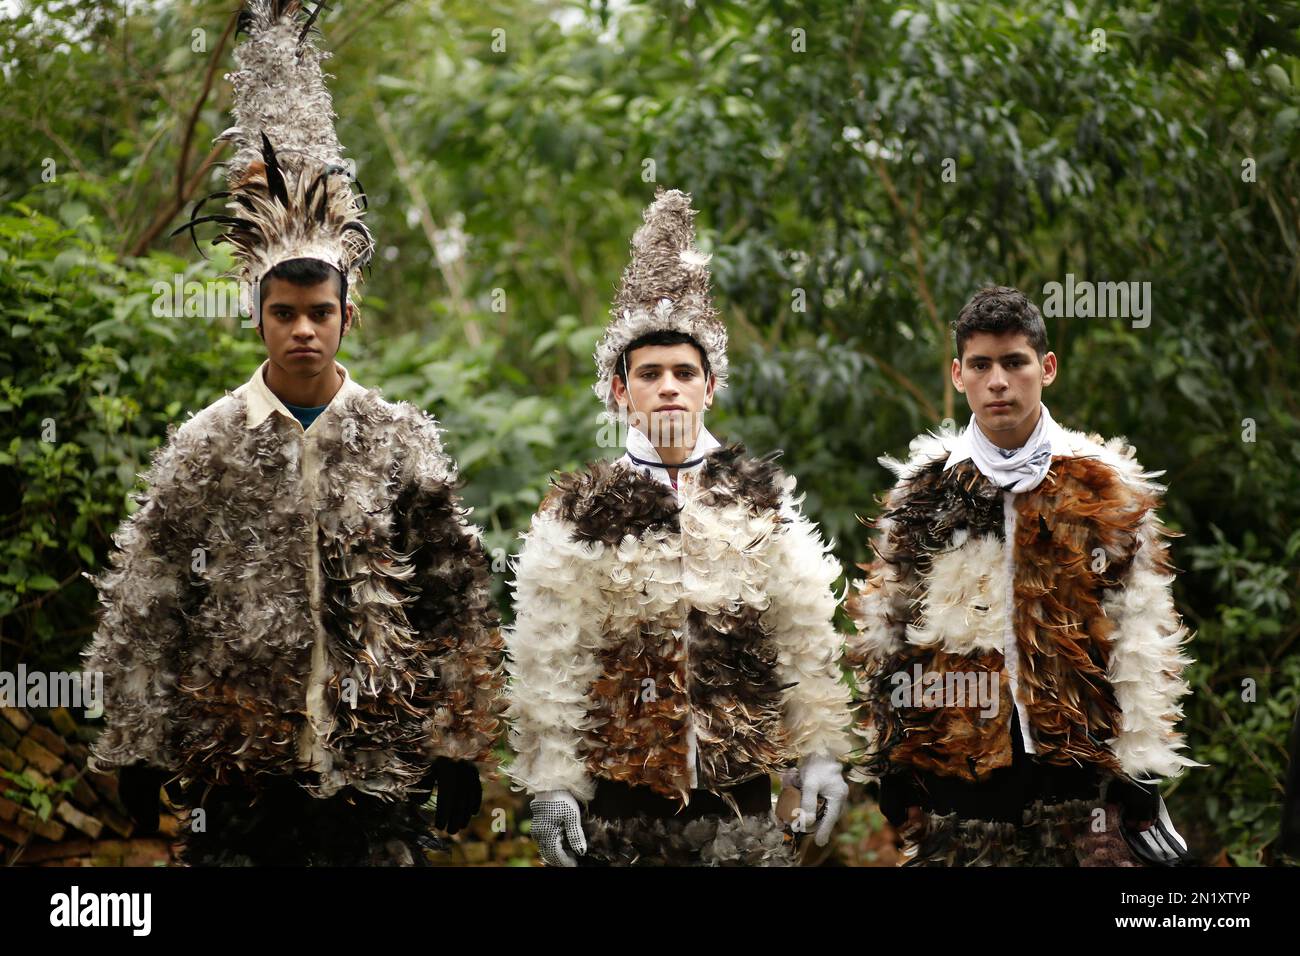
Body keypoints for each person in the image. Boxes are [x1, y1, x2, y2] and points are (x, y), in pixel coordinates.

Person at [82, 0, 503, 865]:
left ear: (348, 314)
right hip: (240, 777)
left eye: (320, 311)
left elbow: (454, 594)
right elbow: (148, 595)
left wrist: (462, 744)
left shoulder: (398, 440)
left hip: (376, 775)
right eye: (285, 313)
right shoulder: (206, 445)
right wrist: (135, 739)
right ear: (257, 317)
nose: (303, 329)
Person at [504, 188, 853, 866]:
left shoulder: (760, 499)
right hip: (619, 811)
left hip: (741, 808)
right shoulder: (580, 509)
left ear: (710, 387)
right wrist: (552, 785)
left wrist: (819, 754)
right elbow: (552, 660)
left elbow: (802, 639)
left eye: (685, 372)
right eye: (651, 372)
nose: (669, 386)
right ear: (619, 390)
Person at [846, 285, 1200, 866]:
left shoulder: (1104, 485)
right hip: (958, 778)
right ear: (958, 374)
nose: (999, 381)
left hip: (1080, 781)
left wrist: (1143, 764)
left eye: (1015, 362)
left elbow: (1142, 630)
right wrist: (890, 761)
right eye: (981, 365)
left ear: (1047, 368)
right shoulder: (922, 493)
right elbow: (887, 633)